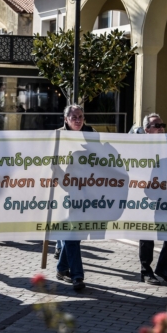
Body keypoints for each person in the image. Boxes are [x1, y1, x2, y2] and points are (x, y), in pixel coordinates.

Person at [55, 104, 96, 291]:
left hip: (85, 191)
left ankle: (62, 268)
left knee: (75, 235)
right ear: (66, 119)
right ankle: (77, 276)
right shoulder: (57, 136)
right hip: (63, 192)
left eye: (80, 116)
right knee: (72, 234)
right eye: (74, 117)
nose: (78, 120)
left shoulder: (92, 135)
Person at [138, 113, 167, 285]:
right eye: (157, 125)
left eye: (163, 124)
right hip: (146, 196)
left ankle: (163, 268)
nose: (161, 127)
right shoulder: (138, 147)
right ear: (147, 129)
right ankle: (146, 271)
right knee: (147, 234)